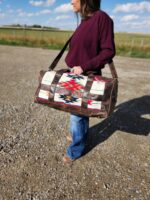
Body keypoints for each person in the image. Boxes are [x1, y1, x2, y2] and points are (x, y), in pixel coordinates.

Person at [63, 0, 116, 163]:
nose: (71, 1)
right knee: (75, 109)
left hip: (87, 75)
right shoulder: (85, 20)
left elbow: (108, 50)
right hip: (76, 74)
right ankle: (77, 135)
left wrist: (85, 66)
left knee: (77, 114)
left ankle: (76, 149)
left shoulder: (102, 18)